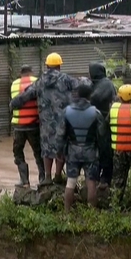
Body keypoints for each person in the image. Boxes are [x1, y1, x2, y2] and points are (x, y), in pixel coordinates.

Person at [11, 52, 77, 186]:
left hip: (46, 122)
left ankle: (47, 176)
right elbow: (82, 86)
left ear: (46, 65)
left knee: (46, 149)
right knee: (61, 147)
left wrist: (13, 104)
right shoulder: (67, 79)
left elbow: (26, 95)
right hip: (63, 120)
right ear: (59, 66)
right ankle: (58, 176)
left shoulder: (40, 81)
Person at [63, 79, 104, 211]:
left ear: (77, 95)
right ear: (89, 96)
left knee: (70, 182)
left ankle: (66, 213)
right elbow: (101, 135)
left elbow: (61, 134)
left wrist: (60, 151)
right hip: (90, 151)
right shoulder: (95, 112)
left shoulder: (67, 111)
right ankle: (91, 214)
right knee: (91, 182)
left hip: (72, 151)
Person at [10, 65, 45, 187]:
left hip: (19, 126)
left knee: (18, 152)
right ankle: (43, 179)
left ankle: (24, 181)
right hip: (34, 125)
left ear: (21, 73)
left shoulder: (14, 84)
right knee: (39, 152)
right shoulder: (37, 81)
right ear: (31, 72)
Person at [88, 62, 117, 189]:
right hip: (95, 122)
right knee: (96, 151)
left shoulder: (105, 83)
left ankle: (106, 178)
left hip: (105, 122)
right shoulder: (95, 83)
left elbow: (95, 98)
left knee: (105, 150)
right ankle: (97, 177)